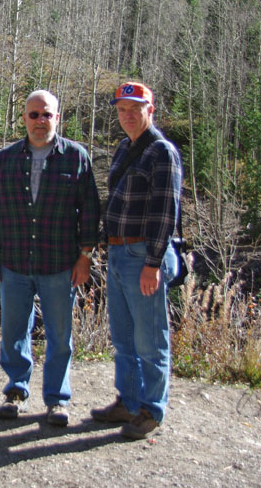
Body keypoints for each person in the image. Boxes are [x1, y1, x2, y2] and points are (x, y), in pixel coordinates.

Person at [0, 90, 100, 426]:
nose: (39, 121)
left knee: (60, 336)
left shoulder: (76, 157)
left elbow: (89, 214)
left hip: (60, 264)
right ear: (24, 118)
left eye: (46, 114)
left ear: (57, 118)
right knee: (14, 332)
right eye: (33, 115)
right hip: (14, 263)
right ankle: (16, 391)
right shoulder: (5, 160)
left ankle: (57, 400)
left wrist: (85, 257)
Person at [92, 82, 182, 440]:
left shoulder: (162, 152)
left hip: (143, 254)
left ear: (150, 110)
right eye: (122, 110)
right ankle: (128, 402)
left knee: (150, 338)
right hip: (117, 252)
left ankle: (151, 409)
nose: (127, 116)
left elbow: (165, 212)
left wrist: (153, 263)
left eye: (135, 109)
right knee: (124, 336)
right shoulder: (123, 149)